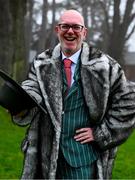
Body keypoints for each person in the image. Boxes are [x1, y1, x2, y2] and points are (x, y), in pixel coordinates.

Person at [13, 9, 135, 179]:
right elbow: (32, 88)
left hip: (83, 159)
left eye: (76, 27)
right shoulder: (42, 63)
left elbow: (129, 100)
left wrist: (101, 132)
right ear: (57, 30)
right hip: (46, 159)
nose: (70, 31)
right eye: (65, 26)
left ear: (84, 32)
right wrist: (20, 102)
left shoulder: (104, 65)